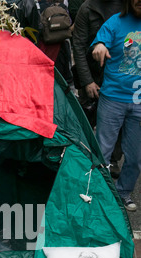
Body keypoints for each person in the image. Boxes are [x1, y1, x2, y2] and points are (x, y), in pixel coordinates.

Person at [91, 0, 141, 212]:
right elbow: (98, 44)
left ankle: (123, 193)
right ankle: (96, 193)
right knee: (102, 151)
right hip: (112, 98)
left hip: (138, 101)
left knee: (136, 157)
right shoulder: (115, 22)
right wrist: (100, 46)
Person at [72, 0, 123, 177]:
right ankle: (83, 156)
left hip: (118, 75)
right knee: (86, 117)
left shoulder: (127, 7)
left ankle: (113, 159)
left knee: (118, 120)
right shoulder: (87, 8)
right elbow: (78, 45)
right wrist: (87, 81)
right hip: (92, 74)